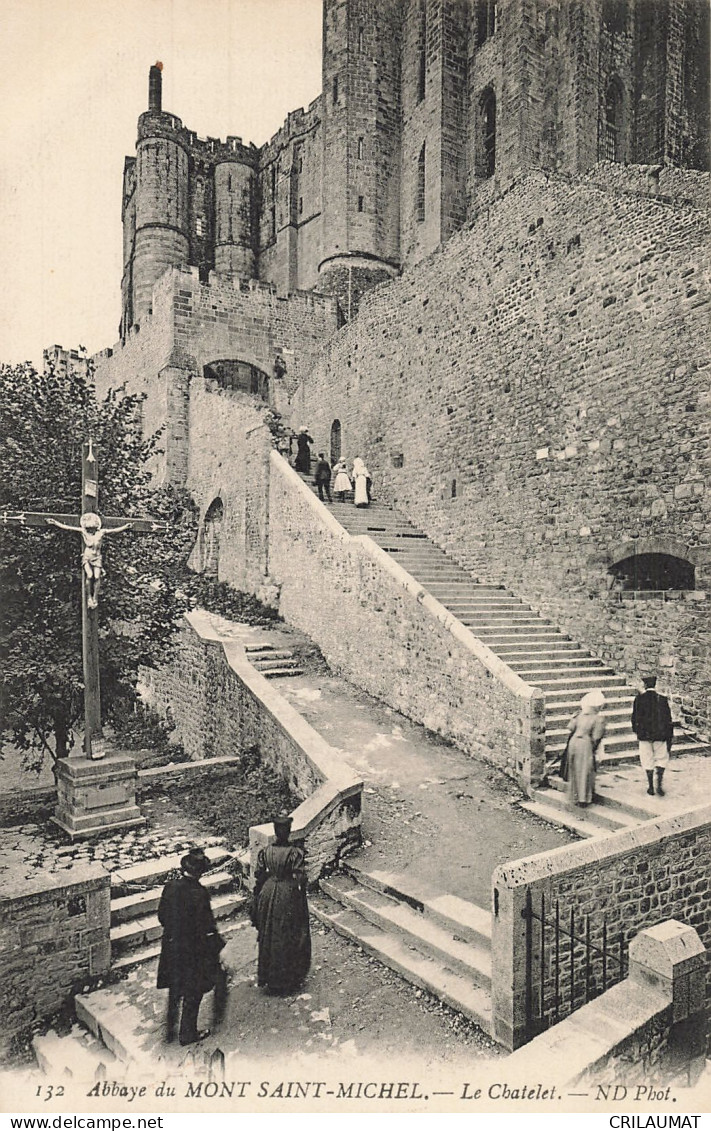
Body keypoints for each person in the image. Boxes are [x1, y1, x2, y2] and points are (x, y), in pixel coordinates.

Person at [156, 847, 224, 1045]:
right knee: (193, 992)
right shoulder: (199, 893)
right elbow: (207, 925)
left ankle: (169, 1029)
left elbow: (162, 916)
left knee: (175, 988)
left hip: (172, 947)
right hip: (192, 951)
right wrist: (218, 946)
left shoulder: (170, 887)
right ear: (200, 872)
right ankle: (187, 1034)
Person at [252, 814, 311, 995]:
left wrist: (263, 891)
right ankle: (287, 980)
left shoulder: (266, 851)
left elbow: (258, 874)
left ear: (276, 832)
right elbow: (301, 876)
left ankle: (270, 977)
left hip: (268, 893)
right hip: (287, 894)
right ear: (288, 832)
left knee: (269, 931)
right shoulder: (294, 853)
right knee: (288, 933)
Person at [46, 512, 132, 608]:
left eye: (92, 528)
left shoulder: (101, 532)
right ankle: (89, 597)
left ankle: (95, 597)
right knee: (90, 576)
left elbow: (114, 530)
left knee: (97, 576)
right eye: (89, 528)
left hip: (97, 557)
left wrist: (125, 527)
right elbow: (68, 527)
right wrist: (55, 523)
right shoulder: (84, 532)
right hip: (87, 557)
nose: (90, 530)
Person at [631, 675, 674, 796]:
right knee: (661, 758)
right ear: (655, 685)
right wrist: (669, 735)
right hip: (660, 735)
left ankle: (650, 786)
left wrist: (637, 731)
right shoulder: (662, 699)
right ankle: (659, 784)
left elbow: (634, 718)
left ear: (645, 685)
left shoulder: (639, 699)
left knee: (647, 759)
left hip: (645, 735)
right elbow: (668, 719)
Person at [566, 689, 607, 807]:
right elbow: (596, 737)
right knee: (585, 770)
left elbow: (570, 727)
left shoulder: (579, 715)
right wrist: (593, 749)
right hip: (585, 743)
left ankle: (575, 795)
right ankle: (584, 798)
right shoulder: (598, 718)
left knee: (574, 769)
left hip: (573, 742)